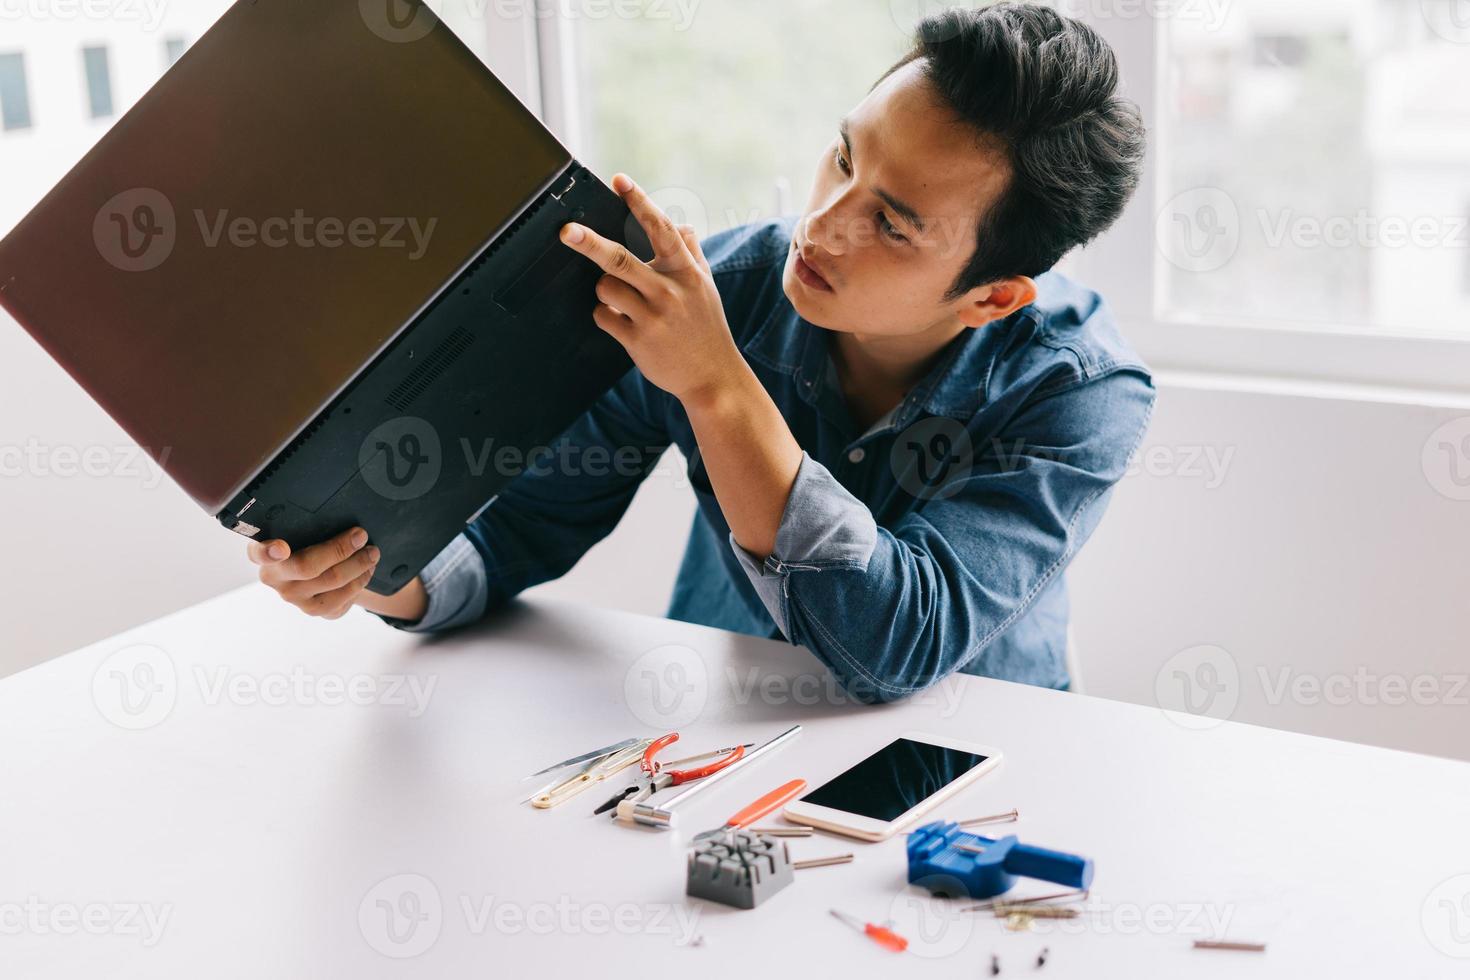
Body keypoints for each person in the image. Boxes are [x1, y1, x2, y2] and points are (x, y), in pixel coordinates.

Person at [248, 3, 1154, 701]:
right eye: (844, 157)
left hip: (984, 761)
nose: (824, 223)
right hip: (722, 734)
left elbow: (895, 643)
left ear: (993, 296)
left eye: (891, 222)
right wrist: (374, 568)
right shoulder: (732, 288)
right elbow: (511, 531)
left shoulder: (1081, 392)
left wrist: (717, 384)